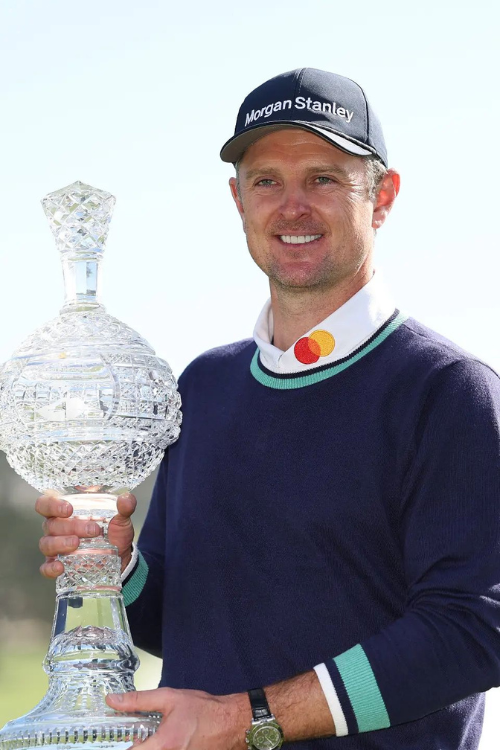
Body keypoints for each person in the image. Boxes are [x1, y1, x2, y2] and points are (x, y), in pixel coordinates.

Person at [36, 68, 500, 750]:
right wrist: (117, 569)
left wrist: (244, 719)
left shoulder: (448, 390)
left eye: (322, 178)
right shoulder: (203, 386)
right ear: (237, 199)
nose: (292, 207)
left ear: (382, 197)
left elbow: (474, 629)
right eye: (266, 181)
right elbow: (181, 621)